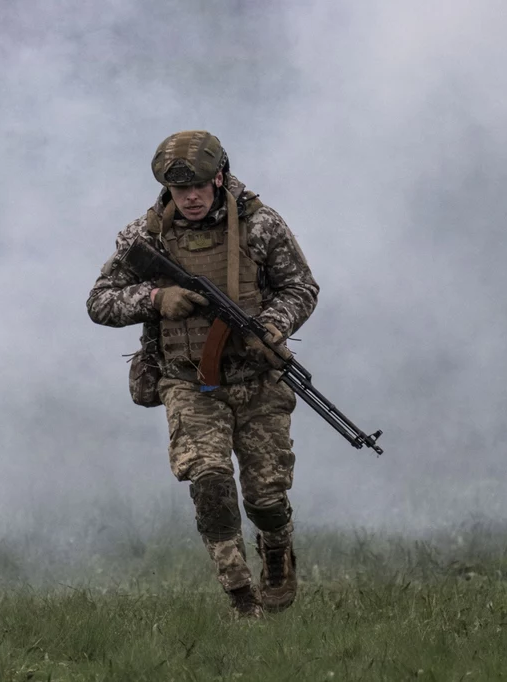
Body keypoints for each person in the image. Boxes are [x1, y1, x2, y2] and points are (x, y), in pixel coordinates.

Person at [86, 130, 319, 618]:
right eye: (178, 190)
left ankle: (276, 555)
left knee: (266, 494)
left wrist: (273, 326)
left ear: (219, 176)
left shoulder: (261, 225)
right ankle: (239, 595)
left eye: (198, 187)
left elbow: (301, 287)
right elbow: (100, 301)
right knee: (209, 482)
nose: (190, 198)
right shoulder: (145, 236)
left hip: (257, 379)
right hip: (188, 380)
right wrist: (154, 299)